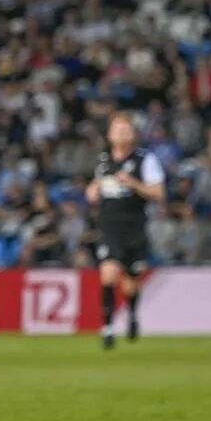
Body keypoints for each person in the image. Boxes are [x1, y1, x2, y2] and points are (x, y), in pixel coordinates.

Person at [86, 112, 165, 349]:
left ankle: (131, 314)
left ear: (133, 134)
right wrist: (92, 191)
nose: (120, 133)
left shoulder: (145, 160)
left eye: (124, 129)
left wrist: (133, 183)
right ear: (109, 135)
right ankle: (107, 328)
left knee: (131, 282)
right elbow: (93, 190)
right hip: (109, 228)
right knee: (108, 275)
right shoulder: (103, 162)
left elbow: (159, 194)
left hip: (134, 229)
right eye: (116, 129)